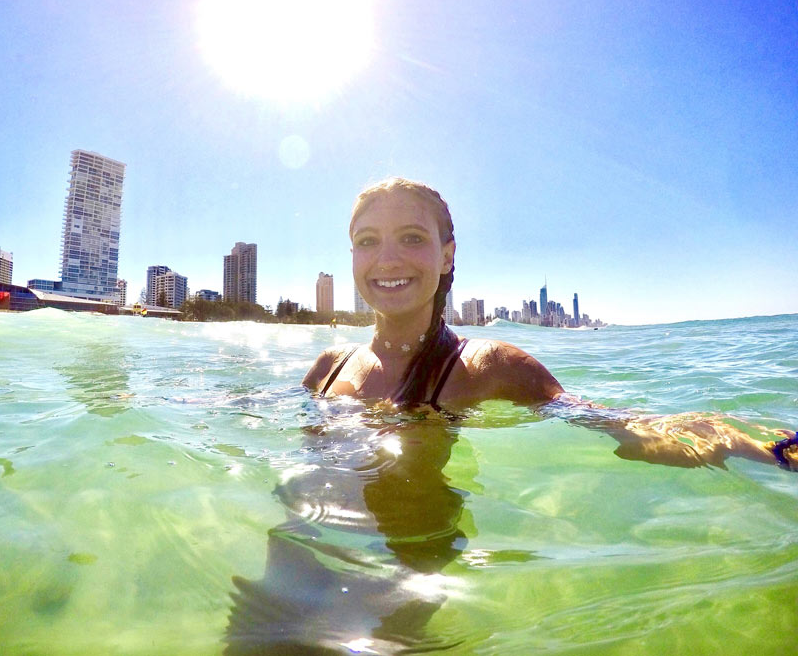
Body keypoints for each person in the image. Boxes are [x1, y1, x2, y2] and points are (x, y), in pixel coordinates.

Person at [304, 176, 797, 471]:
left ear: (447, 255)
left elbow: (608, 423)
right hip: (299, 546)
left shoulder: (485, 366)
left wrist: (755, 446)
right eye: (367, 241)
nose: (387, 259)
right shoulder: (328, 367)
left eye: (411, 237)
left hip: (406, 554)